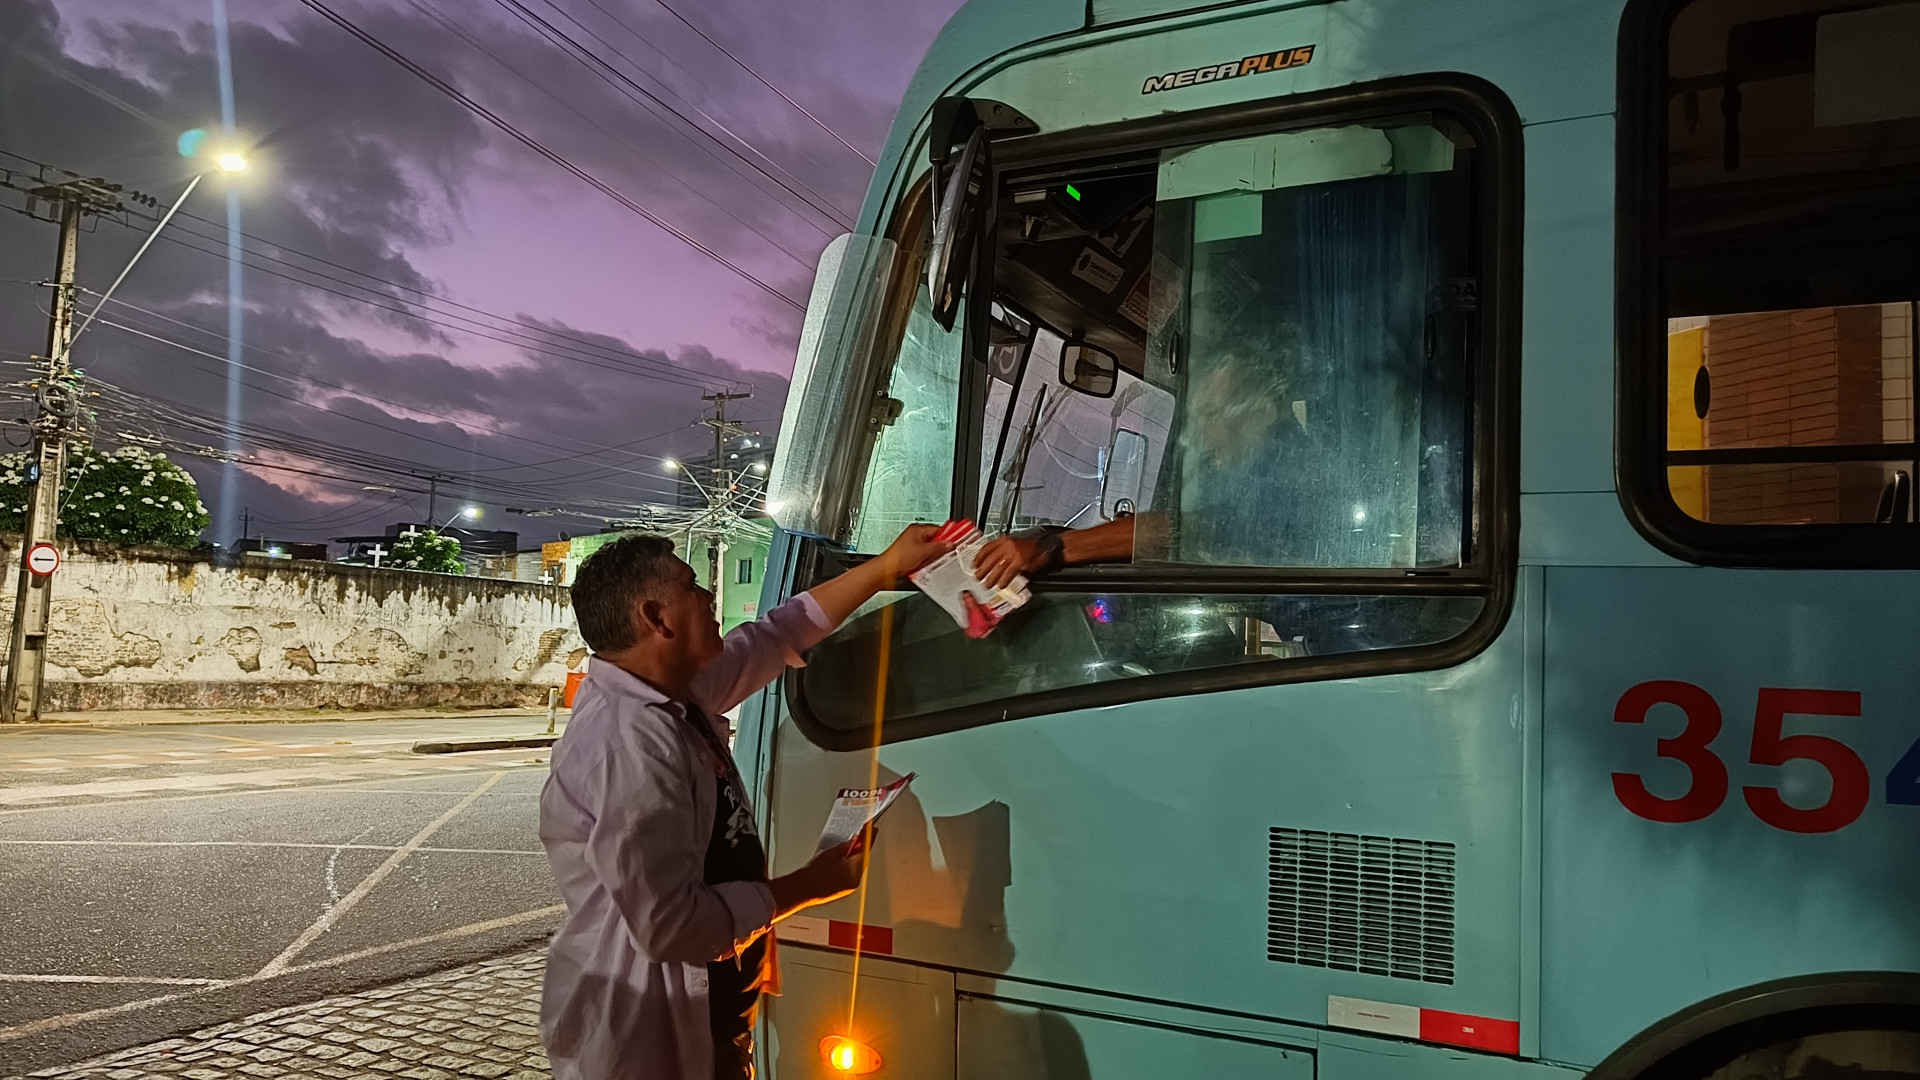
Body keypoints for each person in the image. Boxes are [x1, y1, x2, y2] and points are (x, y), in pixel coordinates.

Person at [539, 525, 950, 1080]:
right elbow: (670, 927)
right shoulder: (629, 743)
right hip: (656, 1041)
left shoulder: (675, 697)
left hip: (714, 1021)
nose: (710, 596)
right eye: (692, 586)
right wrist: (811, 885)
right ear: (656, 618)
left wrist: (884, 568)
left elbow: (775, 636)